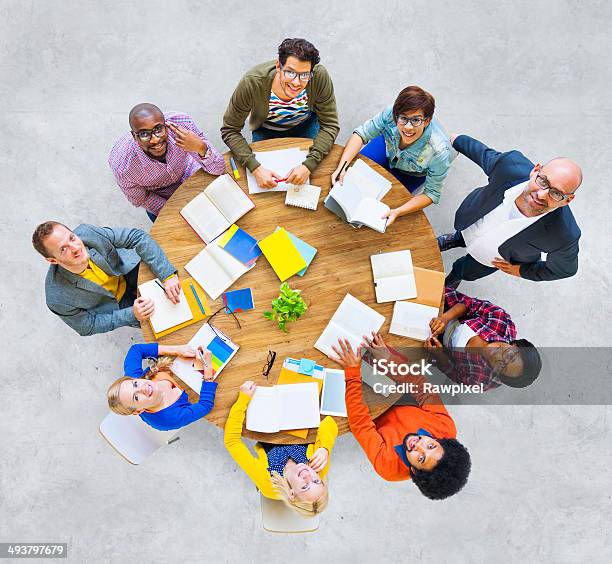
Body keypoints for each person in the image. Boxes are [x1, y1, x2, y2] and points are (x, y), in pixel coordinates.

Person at [331, 336, 471, 500]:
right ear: (441, 441)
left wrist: (353, 373)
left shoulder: (387, 467)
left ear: (414, 470)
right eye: (431, 445)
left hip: (369, 409)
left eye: (420, 458)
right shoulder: (445, 429)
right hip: (399, 391)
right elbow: (421, 387)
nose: (419, 445)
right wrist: (389, 359)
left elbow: (361, 424)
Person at [436, 135, 583, 287]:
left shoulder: (565, 236)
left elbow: (565, 270)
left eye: (557, 193)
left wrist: (523, 271)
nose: (541, 195)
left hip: (491, 258)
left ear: (568, 200)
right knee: (462, 235)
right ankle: (455, 239)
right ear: (535, 170)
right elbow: (482, 153)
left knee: (464, 270)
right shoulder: (510, 166)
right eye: (543, 181)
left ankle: (454, 278)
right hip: (470, 223)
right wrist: (456, 139)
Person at [221, 38, 339, 189]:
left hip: (306, 125)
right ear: (278, 66)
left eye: (304, 75)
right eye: (290, 72)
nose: (296, 83)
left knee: (315, 181)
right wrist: (255, 168)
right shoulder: (252, 82)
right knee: (266, 187)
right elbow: (230, 130)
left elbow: (330, 125)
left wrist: (309, 165)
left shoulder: (319, 76)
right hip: (265, 130)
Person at [332, 86, 453, 226]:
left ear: (427, 120)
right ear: (396, 115)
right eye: (403, 118)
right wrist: (342, 166)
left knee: (383, 207)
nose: (408, 127)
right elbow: (362, 134)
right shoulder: (391, 112)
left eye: (416, 120)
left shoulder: (439, 152)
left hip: (412, 173)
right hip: (386, 149)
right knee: (350, 177)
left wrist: (398, 211)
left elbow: (431, 193)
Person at [33, 221, 180, 336]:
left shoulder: (87, 232)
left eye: (72, 238)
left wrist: (167, 275)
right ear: (52, 260)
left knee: (180, 291)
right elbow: (87, 326)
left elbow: (137, 237)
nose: (76, 248)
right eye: (63, 249)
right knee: (170, 325)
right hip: (119, 305)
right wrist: (130, 314)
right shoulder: (56, 298)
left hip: (127, 270)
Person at [224, 380, 338, 516]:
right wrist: (325, 448)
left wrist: (242, 401)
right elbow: (328, 422)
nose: (308, 475)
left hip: (264, 425)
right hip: (296, 419)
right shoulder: (318, 469)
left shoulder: (267, 482)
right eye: (315, 481)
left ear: (292, 493)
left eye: (304, 486)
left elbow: (232, 442)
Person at [109, 103, 226, 221]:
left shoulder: (182, 126)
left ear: (166, 126)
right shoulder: (123, 167)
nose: (155, 139)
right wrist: (175, 212)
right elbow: (142, 198)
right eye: (144, 134)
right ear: (134, 136)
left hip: (190, 172)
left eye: (158, 129)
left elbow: (218, 168)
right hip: (161, 196)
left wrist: (201, 148)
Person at [425, 287, 542, 390]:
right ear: (516, 346)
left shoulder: (482, 381)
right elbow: (469, 304)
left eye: (502, 367)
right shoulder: (501, 321)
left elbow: (455, 373)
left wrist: (438, 354)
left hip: (434, 344)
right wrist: (444, 319)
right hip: (447, 309)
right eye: (510, 356)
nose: (498, 356)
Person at [107, 343, 219, 431]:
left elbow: (136, 350)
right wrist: (208, 368)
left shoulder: (134, 378)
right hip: (197, 387)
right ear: (138, 411)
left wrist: (177, 350)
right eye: (136, 397)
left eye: (135, 384)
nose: (142, 388)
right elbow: (205, 405)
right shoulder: (170, 419)